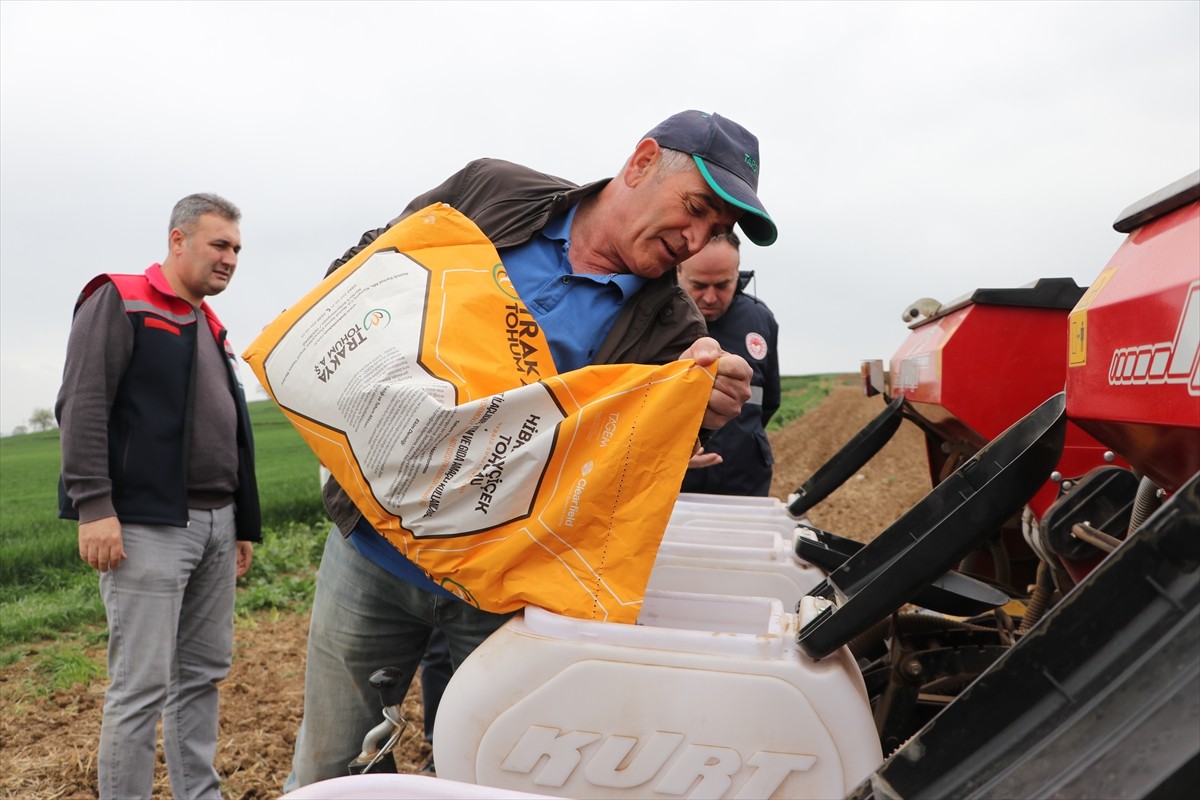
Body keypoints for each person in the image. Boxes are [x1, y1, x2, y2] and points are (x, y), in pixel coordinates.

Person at [285, 110, 777, 790]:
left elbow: (625, 470)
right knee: (329, 765)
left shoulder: (674, 330)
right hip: (371, 555)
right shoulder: (492, 194)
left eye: (718, 231)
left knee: (490, 770)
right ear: (640, 163)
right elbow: (365, 271)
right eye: (696, 208)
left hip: (503, 595)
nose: (696, 240)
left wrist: (700, 413)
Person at [56, 193, 261, 800]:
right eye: (218, 245)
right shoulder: (121, 299)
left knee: (200, 677)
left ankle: (200, 794)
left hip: (217, 525)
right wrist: (94, 507)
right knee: (141, 686)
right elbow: (83, 404)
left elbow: (231, 431)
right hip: (147, 525)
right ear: (178, 240)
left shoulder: (210, 323)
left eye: (237, 250)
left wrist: (242, 522)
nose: (230, 259)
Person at [679, 232, 781, 496]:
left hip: (746, 480)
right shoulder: (652, 317)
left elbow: (768, 401)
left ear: (738, 274)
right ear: (678, 271)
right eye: (699, 285)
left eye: (723, 285)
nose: (710, 298)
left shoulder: (760, 319)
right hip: (673, 483)